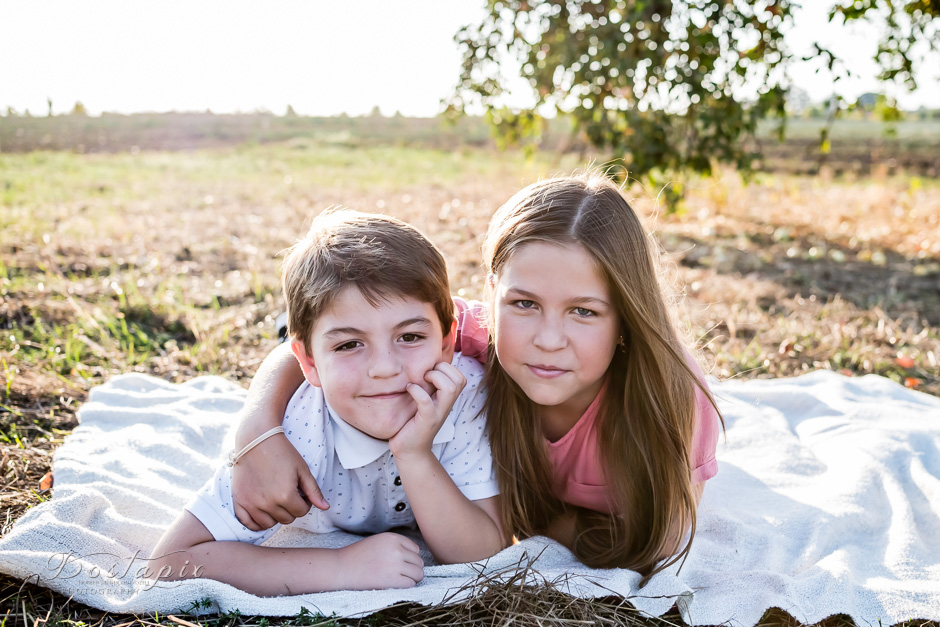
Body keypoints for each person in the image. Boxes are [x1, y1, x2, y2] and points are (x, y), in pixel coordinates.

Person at [230, 172, 722, 583]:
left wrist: (559, 526)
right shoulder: (474, 334)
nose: (548, 339)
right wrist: (257, 430)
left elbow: (661, 536)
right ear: (492, 294)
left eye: (584, 312)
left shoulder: (671, 399)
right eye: (524, 303)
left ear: (626, 318)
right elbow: (312, 355)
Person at [149, 209, 505, 597]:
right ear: (308, 363)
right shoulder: (298, 431)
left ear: (447, 342)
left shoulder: (465, 393)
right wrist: (339, 567)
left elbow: (482, 553)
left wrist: (415, 453)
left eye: (409, 337)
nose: (384, 369)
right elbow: (169, 562)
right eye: (349, 344)